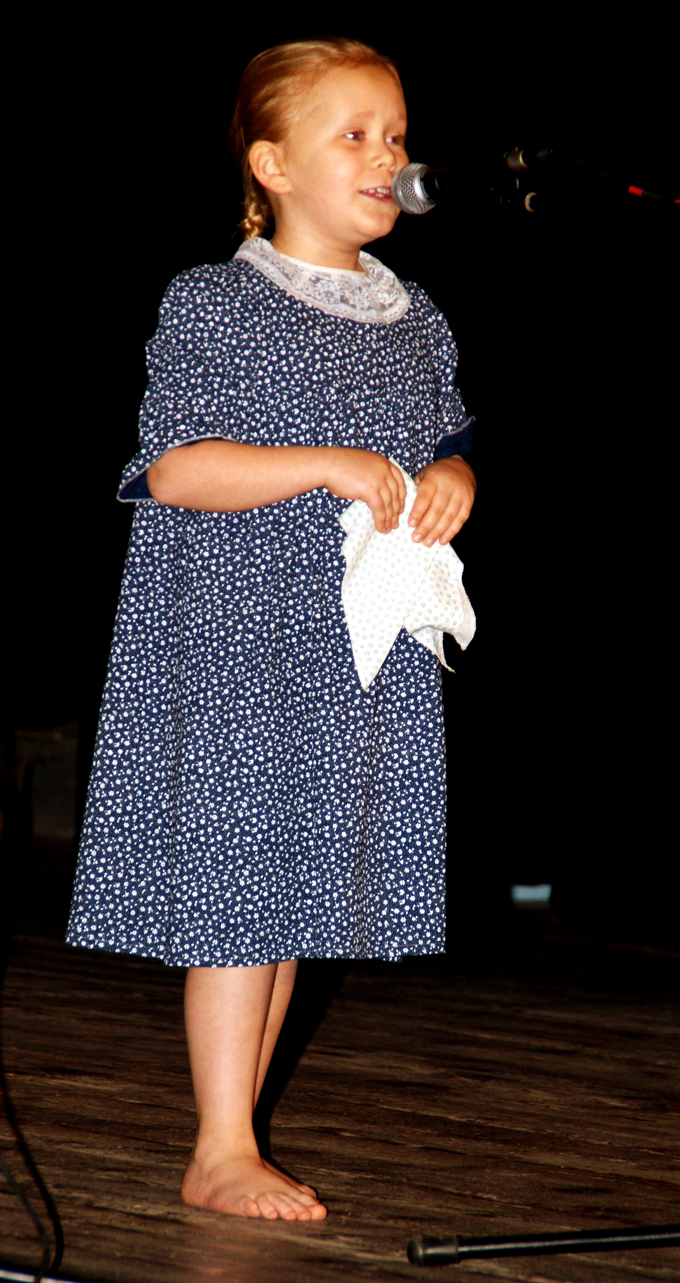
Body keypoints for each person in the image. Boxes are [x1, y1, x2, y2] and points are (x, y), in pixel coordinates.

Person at [66, 37, 477, 1222]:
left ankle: (232, 1137)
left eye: (395, 135)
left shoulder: (415, 318)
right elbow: (176, 469)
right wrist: (328, 463)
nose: (386, 155)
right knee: (241, 890)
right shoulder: (216, 299)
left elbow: (447, 439)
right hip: (239, 643)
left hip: (351, 647)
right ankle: (220, 1145)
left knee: (291, 893)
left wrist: (452, 476)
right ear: (271, 163)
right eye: (353, 134)